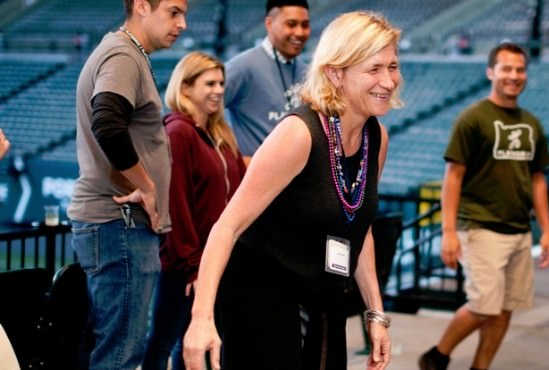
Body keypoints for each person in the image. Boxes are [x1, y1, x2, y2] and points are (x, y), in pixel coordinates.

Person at [182, 11, 401, 370]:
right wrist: (201, 319)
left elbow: (358, 228)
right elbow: (227, 227)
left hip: (324, 295)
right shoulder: (299, 133)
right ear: (336, 73)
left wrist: (375, 313)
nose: (389, 81)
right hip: (262, 296)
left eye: (392, 67)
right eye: (374, 68)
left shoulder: (376, 138)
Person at [419, 42, 549, 370]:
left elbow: (537, 179)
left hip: (519, 229)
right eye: (506, 69)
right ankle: (437, 356)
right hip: (480, 226)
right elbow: (453, 176)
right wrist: (448, 232)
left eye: (520, 70)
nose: (514, 76)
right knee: (483, 305)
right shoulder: (473, 118)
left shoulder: (532, 123)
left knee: (505, 307)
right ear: (491, 72)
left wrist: (547, 231)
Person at [67, 1, 187, 369]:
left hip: (119, 226)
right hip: (119, 223)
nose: (182, 24)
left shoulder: (127, 53)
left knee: (116, 349)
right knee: (120, 354)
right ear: (141, 7)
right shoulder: (122, 54)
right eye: (173, 12)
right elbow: (107, 121)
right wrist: (148, 186)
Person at [142, 52, 247, 370]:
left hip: (217, 260)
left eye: (221, 83)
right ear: (185, 88)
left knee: (198, 344)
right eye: (209, 83)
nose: (218, 90)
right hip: (185, 265)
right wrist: (192, 266)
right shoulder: (178, 132)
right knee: (166, 342)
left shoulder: (220, 132)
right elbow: (177, 203)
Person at [224, 0, 310, 165]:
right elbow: (195, 113)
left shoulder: (307, 71)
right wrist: (233, 161)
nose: (299, 32)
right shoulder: (242, 67)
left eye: (305, 25)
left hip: (298, 182)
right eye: (291, 24)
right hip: (259, 184)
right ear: (269, 24)